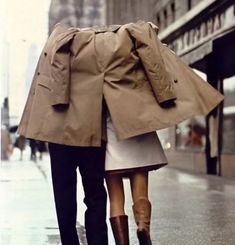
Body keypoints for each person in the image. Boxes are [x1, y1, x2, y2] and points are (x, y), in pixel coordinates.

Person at [17, 21, 223, 245]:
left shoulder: (61, 40)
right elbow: (149, 50)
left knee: (66, 197)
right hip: (94, 130)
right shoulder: (122, 40)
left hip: (61, 131)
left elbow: (53, 78)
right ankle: (116, 236)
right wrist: (164, 93)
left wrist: (54, 105)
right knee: (95, 195)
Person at [105, 115, 167, 245]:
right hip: (138, 126)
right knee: (141, 193)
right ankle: (142, 226)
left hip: (110, 129)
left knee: (115, 200)